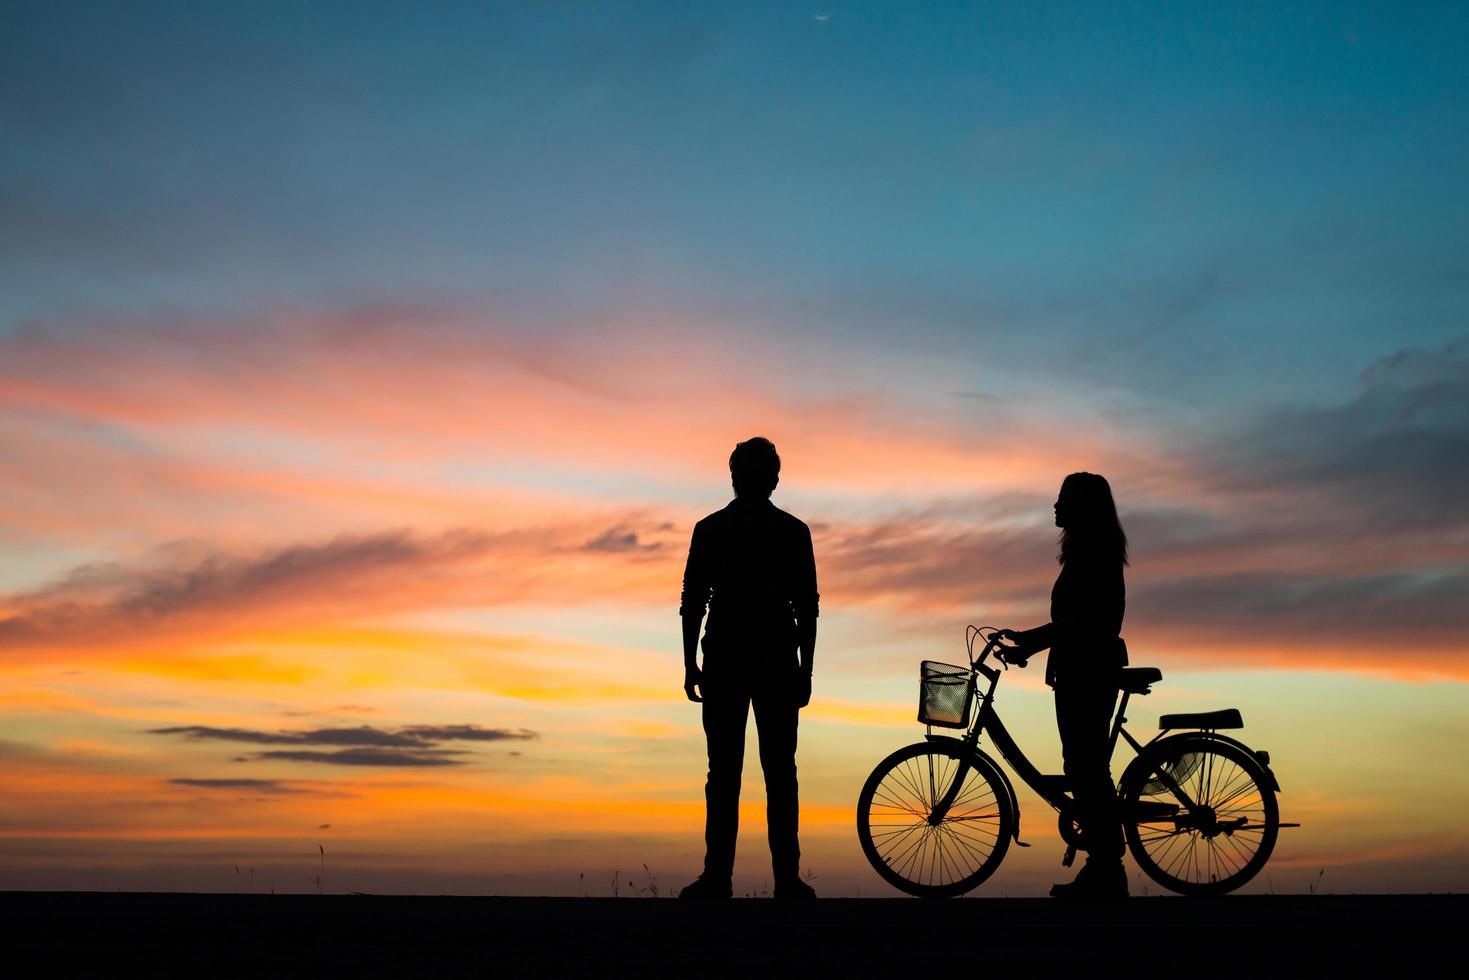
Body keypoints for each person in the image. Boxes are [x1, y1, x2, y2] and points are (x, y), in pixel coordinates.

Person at [677, 436, 819, 900]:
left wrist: (689, 663)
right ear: (773, 479)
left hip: (735, 658)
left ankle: (725, 876)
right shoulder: (789, 532)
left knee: (732, 773)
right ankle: (772, 879)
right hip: (762, 658)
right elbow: (808, 609)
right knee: (773, 771)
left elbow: (692, 603)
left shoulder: (714, 529)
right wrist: (806, 669)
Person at [996, 472, 1130, 900]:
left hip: (1089, 670)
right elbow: (1071, 624)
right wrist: (1032, 646)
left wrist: (1032, 641)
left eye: (1063, 499)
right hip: (1079, 667)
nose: (1055, 506)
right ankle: (1104, 866)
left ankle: (1107, 869)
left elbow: (1080, 622)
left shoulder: (1093, 552)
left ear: (1083, 506)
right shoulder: (1088, 551)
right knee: (1084, 765)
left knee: (1087, 767)